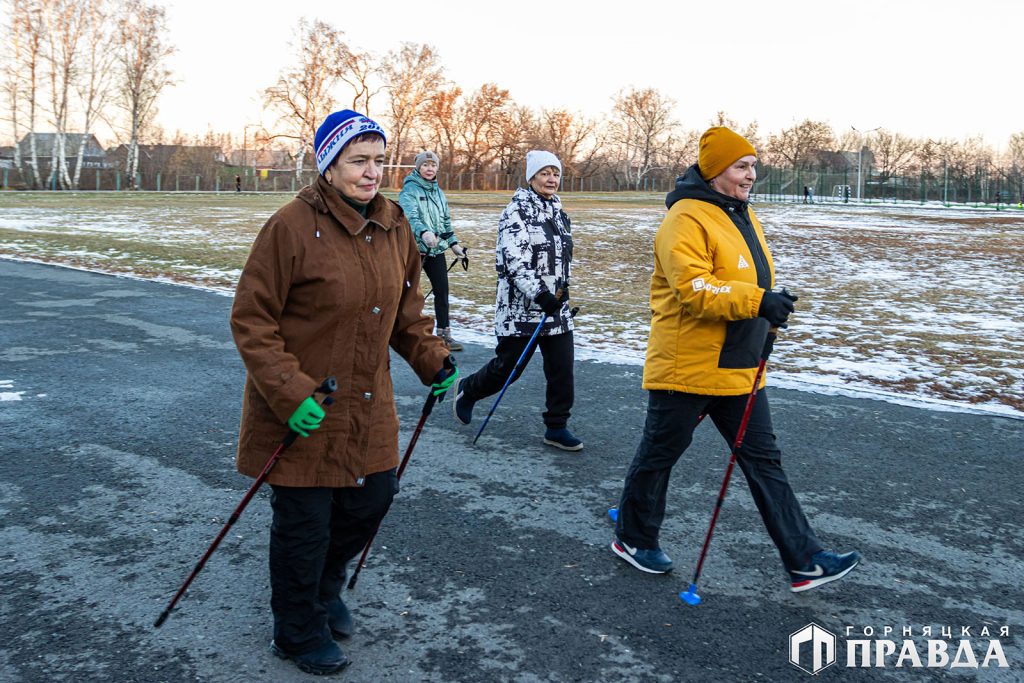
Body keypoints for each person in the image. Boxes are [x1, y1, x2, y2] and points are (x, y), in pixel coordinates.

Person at [230, 109, 458, 676]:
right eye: (358, 161)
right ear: (328, 164)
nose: (371, 172)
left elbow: (408, 314)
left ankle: (325, 587)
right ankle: (296, 630)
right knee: (304, 521)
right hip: (305, 403)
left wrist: (433, 360)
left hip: (366, 400)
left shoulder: (395, 224)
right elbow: (252, 319)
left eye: (380, 160)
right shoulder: (290, 226)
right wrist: (289, 393)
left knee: (371, 499)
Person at [611, 127, 862, 593]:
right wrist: (757, 302)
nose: (751, 174)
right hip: (687, 366)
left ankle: (805, 560)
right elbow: (694, 290)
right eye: (741, 166)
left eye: (753, 166)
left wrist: (770, 309)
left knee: (765, 461)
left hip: (739, 364)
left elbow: (749, 278)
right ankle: (632, 536)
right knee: (659, 455)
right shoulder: (686, 219)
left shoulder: (740, 215)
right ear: (714, 171)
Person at [451, 150, 582, 452]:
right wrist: (540, 294)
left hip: (555, 307)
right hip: (519, 308)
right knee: (509, 369)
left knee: (562, 368)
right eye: (545, 173)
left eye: (556, 173)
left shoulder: (560, 213)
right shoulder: (516, 212)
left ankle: (556, 426)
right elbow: (515, 263)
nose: (552, 179)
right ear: (532, 177)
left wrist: (561, 289)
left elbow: (561, 257)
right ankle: (468, 390)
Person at [398, 150, 467, 351]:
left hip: (435, 250)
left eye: (433, 165)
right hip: (414, 250)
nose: (430, 169)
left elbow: (445, 222)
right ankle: (392, 328)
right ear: (418, 167)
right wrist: (424, 232)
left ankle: (444, 334)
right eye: (426, 165)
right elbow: (410, 217)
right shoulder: (409, 190)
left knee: (442, 291)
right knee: (407, 293)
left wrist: (454, 244)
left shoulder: (438, 192)